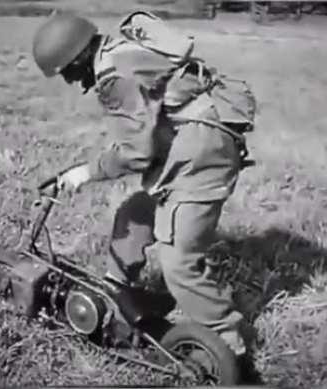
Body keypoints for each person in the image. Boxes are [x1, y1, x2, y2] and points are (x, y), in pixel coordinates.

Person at [32, 11, 254, 356]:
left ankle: (228, 348)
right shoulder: (119, 52)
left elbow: (137, 152)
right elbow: (141, 132)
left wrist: (87, 172)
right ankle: (118, 293)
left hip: (201, 161)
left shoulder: (114, 75)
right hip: (188, 150)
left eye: (68, 73)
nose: (72, 82)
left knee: (180, 265)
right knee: (134, 214)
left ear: (77, 58)